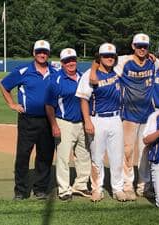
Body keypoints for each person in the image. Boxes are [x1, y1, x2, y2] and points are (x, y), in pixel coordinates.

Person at [0, 40, 56, 200]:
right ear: (33, 53)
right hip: (28, 120)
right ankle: (21, 191)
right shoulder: (24, 71)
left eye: (44, 52)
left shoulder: (55, 71)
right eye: (39, 51)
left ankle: (40, 189)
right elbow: (4, 85)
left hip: (48, 120)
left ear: (48, 53)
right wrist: (12, 104)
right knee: (23, 155)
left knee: (45, 156)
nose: (42, 54)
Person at [76, 43, 127, 202]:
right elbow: (84, 99)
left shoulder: (117, 70)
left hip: (115, 118)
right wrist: (87, 121)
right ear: (99, 57)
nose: (109, 58)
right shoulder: (90, 75)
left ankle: (117, 188)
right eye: (105, 56)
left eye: (112, 56)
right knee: (97, 157)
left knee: (116, 156)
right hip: (97, 119)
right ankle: (97, 188)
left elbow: (135, 57)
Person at [45, 48, 91, 201]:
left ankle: (81, 185)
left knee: (83, 155)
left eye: (73, 60)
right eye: (67, 61)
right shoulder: (55, 79)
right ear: (62, 63)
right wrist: (54, 125)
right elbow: (49, 105)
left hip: (82, 122)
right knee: (64, 158)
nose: (71, 63)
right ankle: (64, 189)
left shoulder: (83, 77)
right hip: (64, 122)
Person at [113, 33, 155, 199]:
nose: (142, 49)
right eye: (139, 46)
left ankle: (143, 185)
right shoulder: (124, 61)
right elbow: (101, 63)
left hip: (147, 114)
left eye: (145, 46)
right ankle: (127, 184)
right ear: (133, 46)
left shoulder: (153, 62)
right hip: (129, 114)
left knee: (145, 151)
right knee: (128, 151)